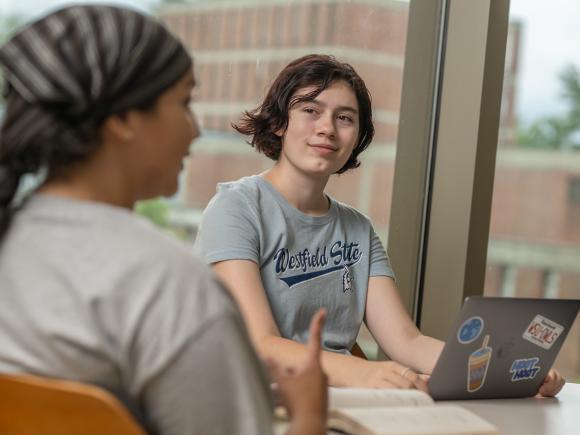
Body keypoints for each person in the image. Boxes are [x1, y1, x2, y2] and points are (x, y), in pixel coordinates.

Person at [0, 6, 327, 435]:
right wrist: (308, 416)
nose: (194, 129)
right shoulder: (170, 286)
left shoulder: (15, 238)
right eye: (183, 102)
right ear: (121, 120)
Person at [194, 54, 565, 397]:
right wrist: (361, 373)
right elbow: (261, 343)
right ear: (278, 123)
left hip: (341, 400)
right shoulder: (236, 209)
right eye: (310, 110)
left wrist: (511, 373)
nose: (327, 128)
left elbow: (406, 341)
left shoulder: (357, 228)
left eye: (345, 117)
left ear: (357, 137)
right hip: (254, 398)